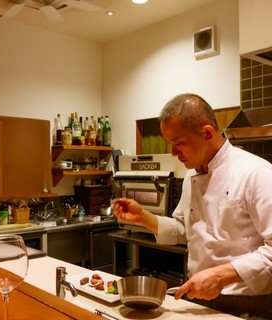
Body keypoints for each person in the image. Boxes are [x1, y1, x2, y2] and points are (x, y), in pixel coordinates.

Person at [113, 93, 272, 319]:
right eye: (170, 144)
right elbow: (185, 230)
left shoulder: (256, 173)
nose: (173, 153)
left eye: (178, 143)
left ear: (207, 133)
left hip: (247, 301)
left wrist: (221, 275)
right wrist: (144, 218)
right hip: (199, 296)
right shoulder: (191, 176)